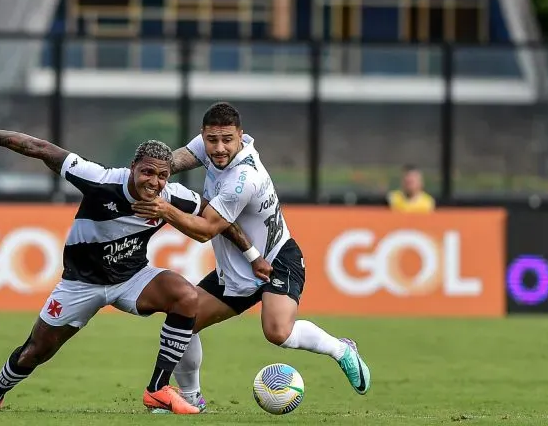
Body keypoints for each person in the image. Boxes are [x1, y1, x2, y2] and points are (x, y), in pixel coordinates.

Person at [0, 104, 258, 415]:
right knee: (35, 351)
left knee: (186, 297)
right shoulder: (100, 180)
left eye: (162, 176)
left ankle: (157, 389)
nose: (154, 182)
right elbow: (39, 147)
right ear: (133, 167)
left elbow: (218, 220)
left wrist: (252, 254)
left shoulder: (171, 197)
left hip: (132, 280)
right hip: (80, 284)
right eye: (147, 172)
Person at [131, 102, 371, 412]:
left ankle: (342, 350)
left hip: (277, 259)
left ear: (241, 137)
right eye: (211, 140)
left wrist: (165, 208)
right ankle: (191, 398)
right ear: (203, 135)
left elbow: (206, 230)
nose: (218, 148)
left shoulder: (243, 178)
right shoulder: (209, 146)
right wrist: (144, 173)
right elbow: (172, 162)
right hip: (238, 267)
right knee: (182, 321)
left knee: (277, 332)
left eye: (226, 140)